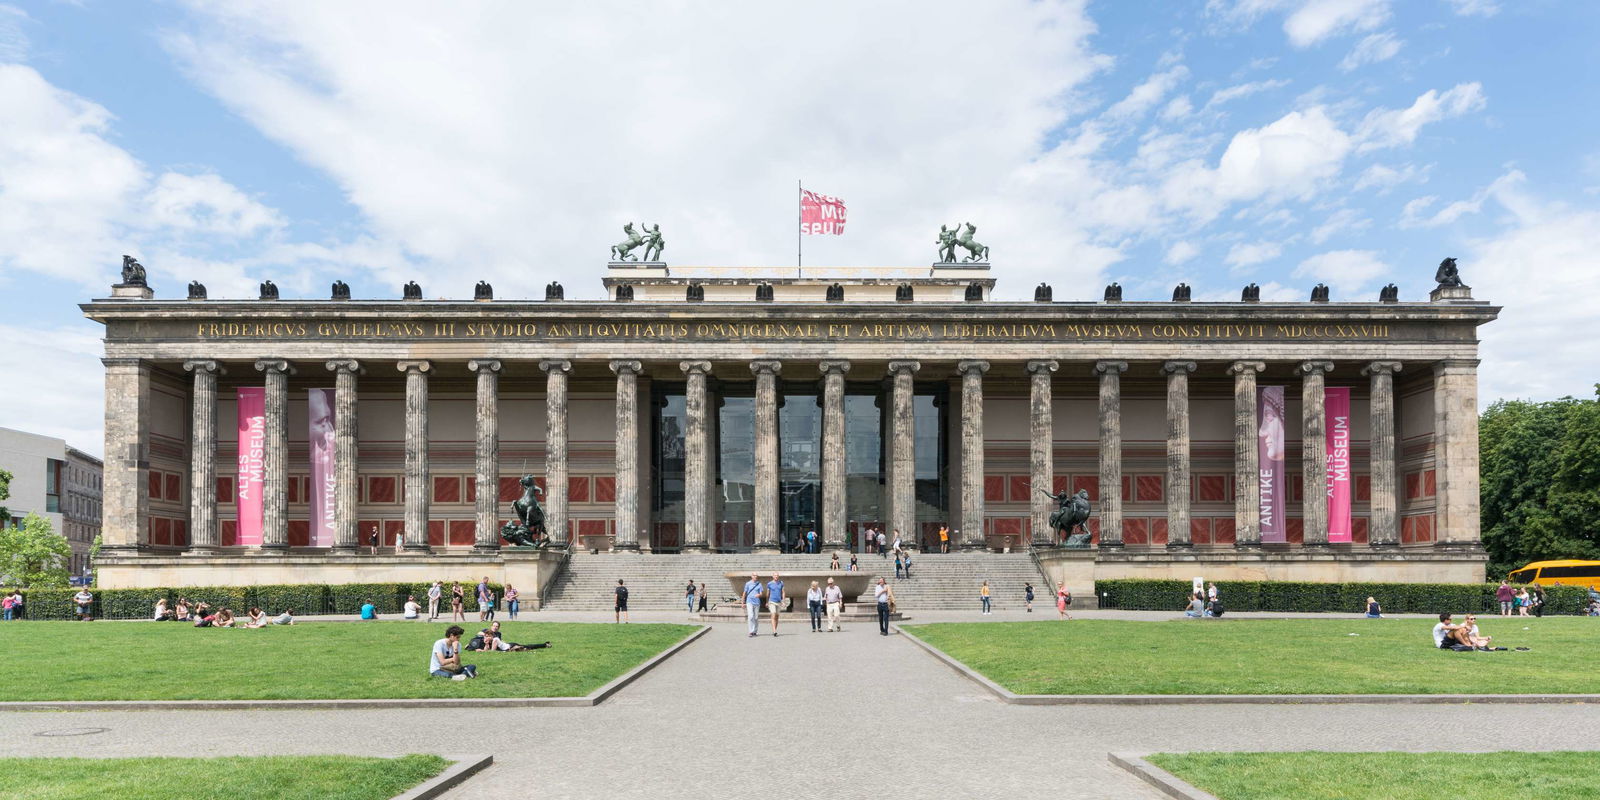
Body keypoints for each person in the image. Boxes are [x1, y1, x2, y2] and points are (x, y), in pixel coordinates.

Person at [473, 621, 550, 652]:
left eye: (497, 626)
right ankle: (544, 645)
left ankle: (544, 644)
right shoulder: (486, 631)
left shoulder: (497, 636)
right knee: (526, 648)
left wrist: (482, 650)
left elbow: (492, 652)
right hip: (507, 646)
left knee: (528, 646)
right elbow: (479, 633)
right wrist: (486, 640)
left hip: (509, 645)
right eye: (494, 626)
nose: (495, 627)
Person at [742, 573, 765, 638]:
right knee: (751, 616)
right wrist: (743, 602)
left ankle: (755, 631)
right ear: (751, 576)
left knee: (756, 617)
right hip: (749, 601)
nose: (755, 576)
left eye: (756, 576)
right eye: (754, 575)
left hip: (757, 602)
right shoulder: (748, 583)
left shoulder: (759, 584)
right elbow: (744, 593)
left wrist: (759, 595)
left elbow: (761, 593)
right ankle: (751, 631)